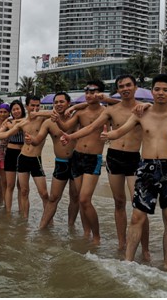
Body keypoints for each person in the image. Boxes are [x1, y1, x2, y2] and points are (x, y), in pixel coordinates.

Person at [101, 74, 167, 272]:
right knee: (136, 217)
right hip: (147, 169)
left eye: (165, 90)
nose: (161, 93)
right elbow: (121, 130)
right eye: (157, 89)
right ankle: (128, 263)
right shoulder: (141, 113)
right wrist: (108, 135)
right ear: (152, 92)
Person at [61, 75, 150, 258]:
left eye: (128, 85)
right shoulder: (111, 110)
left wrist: (148, 105)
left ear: (135, 87)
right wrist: (71, 136)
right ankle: (121, 243)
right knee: (119, 202)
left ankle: (146, 248)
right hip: (114, 158)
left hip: (134, 158)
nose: (125, 88)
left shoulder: (143, 109)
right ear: (117, 90)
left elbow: (162, 111)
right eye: (121, 86)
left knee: (139, 206)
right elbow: (91, 127)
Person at [53, 80, 106, 245]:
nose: (90, 95)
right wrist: (57, 119)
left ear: (101, 93)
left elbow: (121, 107)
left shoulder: (106, 112)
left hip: (93, 159)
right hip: (77, 157)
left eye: (93, 91)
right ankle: (86, 232)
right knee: (81, 200)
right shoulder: (81, 112)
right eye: (87, 92)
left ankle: (96, 236)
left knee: (84, 199)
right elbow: (66, 125)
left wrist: (76, 106)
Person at [0, 95, 49, 219]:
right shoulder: (14, 122)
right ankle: (11, 214)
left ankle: (45, 219)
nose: (35, 108)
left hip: (30, 156)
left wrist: (36, 113)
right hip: (14, 155)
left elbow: (55, 113)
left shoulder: (41, 119)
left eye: (37, 106)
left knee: (39, 192)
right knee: (13, 186)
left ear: (22, 109)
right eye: (33, 106)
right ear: (27, 106)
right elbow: (6, 133)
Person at [26, 92, 80, 229]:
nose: (58, 104)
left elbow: (89, 106)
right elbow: (38, 139)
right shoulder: (49, 122)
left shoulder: (76, 118)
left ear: (68, 103)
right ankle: (42, 228)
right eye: (56, 102)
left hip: (76, 162)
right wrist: (31, 140)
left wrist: (73, 109)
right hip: (60, 163)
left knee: (75, 197)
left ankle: (71, 227)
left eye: (62, 102)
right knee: (53, 198)